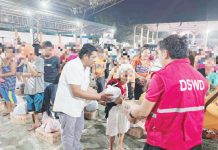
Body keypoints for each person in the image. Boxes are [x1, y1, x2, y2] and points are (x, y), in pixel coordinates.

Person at [123, 35, 208, 150]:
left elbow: (143, 112)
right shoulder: (200, 78)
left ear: (165, 53)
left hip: (164, 142)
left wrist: (131, 113)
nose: (158, 57)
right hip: (193, 143)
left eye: (158, 53)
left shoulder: (161, 77)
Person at [53, 43, 112, 150]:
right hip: (67, 108)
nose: (95, 60)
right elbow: (76, 91)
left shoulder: (86, 67)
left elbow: (85, 87)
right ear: (85, 56)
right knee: (68, 135)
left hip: (77, 106)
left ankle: (77, 148)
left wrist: (100, 94)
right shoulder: (73, 66)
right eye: (93, 57)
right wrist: (98, 97)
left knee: (78, 130)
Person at [105, 65, 131, 150]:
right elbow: (107, 98)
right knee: (112, 128)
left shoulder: (126, 85)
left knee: (122, 126)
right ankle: (111, 147)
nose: (128, 78)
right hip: (113, 109)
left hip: (122, 109)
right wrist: (117, 100)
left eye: (129, 76)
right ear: (120, 74)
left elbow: (125, 98)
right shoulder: (114, 83)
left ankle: (119, 145)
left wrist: (124, 101)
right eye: (125, 75)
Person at [22, 45, 44, 131]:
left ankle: (37, 123)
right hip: (28, 88)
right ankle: (35, 122)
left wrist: (28, 64)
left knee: (37, 107)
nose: (26, 57)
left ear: (32, 53)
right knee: (30, 107)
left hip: (38, 88)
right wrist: (34, 73)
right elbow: (24, 74)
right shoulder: (26, 62)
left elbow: (36, 73)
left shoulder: (40, 60)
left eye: (27, 55)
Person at [0, 47, 17, 116]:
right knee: (5, 97)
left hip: (10, 83)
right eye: (7, 52)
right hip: (2, 82)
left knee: (11, 97)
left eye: (10, 52)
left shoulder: (13, 62)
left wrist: (2, 75)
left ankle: (14, 112)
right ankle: (9, 111)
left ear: (13, 53)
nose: (9, 53)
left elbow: (13, 72)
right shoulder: (3, 60)